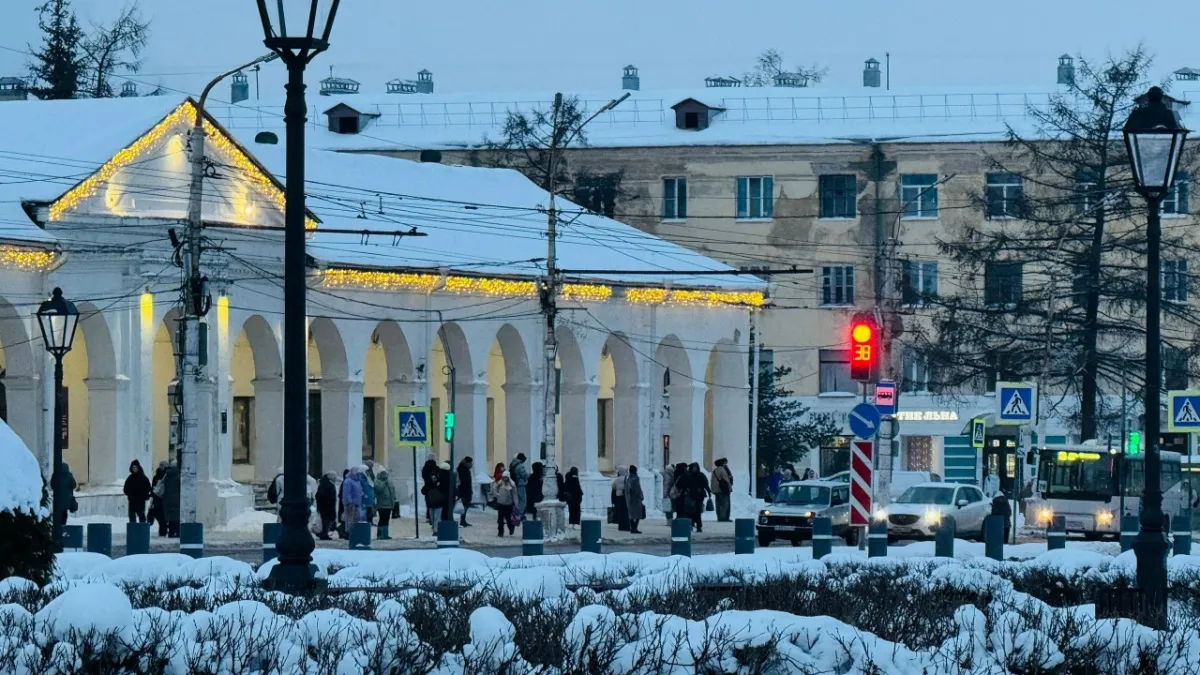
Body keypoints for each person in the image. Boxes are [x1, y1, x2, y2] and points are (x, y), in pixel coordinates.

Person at [683, 462, 711, 533]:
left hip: (699, 496)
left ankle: (699, 526)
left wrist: (709, 492)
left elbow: (706, 484)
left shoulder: (701, 475)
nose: (694, 469)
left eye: (695, 468)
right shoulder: (688, 476)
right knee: (690, 512)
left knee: (698, 511)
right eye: (693, 468)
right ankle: (691, 524)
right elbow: (685, 485)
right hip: (690, 496)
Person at [492, 471, 516, 536]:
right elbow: (494, 488)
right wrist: (497, 494)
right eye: (503, 477)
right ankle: (500, 532)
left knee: (508, 519)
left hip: (509, 504)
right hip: (500, 503)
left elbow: (514, 494)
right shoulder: (500, 482)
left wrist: (516, 503)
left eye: (506, 477)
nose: (504, 479)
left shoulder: (512, 484)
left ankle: (511, 527)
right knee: (500, 519)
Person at [373, 469, 395, 539]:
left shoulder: (388, 481)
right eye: (383, 474)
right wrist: (384, 483)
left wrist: (394, 498)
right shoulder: (377, 481)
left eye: (385, 474)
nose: (384, 475)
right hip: (381, 504)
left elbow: (392, 490)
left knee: (386, 519)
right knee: (382, 519)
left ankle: (385, 534)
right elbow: (379, 489)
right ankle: (380, 535)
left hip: (389, 504)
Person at [316, 472, 338, 540]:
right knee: (326, 520)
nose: (335, 478)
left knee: (325, 520)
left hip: (324, 505)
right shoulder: (328, 485)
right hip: (327, 505)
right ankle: (324, 533)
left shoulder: (323, 483)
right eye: (334, 477)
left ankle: (324, 532)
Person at [710, 458, 733, 523]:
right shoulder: (723, 470)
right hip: (723, 490)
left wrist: (713, 489)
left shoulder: (714, 470)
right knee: (725, 504)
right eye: (725, 462)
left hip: (717, 491)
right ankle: (724, 517)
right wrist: (729, 488)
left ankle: (720, 517)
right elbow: (726, 480)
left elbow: (713, 481)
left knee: (718, 504)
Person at [149, 460, 168, 535]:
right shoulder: (156, 475)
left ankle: (163, 530)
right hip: (156, 497)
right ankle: (162, 529)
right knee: (157, 514)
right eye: (160, 465)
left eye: (162, 465)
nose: (160, 467)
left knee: (162, 515)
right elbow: (153, 486)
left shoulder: (166, 475)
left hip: (163, 498)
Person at [162, 460, 180, 538]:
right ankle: (177, 532)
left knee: (170, 516)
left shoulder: (166, 475)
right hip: (176, 499)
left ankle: (171, 532)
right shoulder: (178, 476)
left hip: (167, 499)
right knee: (176, 516)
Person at [625, 465, 645, 534]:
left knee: (631, 514)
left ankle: (632, 527)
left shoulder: (628, 478)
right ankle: (635, 528)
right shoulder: (636, 478)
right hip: (636, 498)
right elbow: (637, 488)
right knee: (638, 514)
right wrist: (641, 496)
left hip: (630, 498)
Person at [510, 453, 529, 518]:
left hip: (514, 484)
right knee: (523, 501)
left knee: (515, 500)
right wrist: (528, 476)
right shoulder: (520, 466)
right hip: (520, 485)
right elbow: (524, 475)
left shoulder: (512, 464)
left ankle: (514, 513)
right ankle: (518, 514)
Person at [457, 456, 474, 527]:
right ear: (467, 463)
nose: (472, 465)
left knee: (465, 506)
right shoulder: (462, 470)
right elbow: (464, 482)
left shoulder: (464, 469)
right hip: (464, 491)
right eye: (470, 463)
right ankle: (462, 521)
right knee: (464, 506)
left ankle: (463, 520)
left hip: (466, 491)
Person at [611, 465, 629, 531]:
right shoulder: (627, 479)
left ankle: (620, 526)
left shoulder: (617, 480)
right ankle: (626, 526)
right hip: (625, 498)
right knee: (626, 512)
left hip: (618, 497)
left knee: (620, 512)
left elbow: (613, 487)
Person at [421, 458, 438, 524]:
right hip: (434, 490)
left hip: (427, 491)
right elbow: (435, 482)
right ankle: (432, 519)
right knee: (435, 506)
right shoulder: (433, 473)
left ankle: (429, 517)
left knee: (429, 505)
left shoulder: (424, 472)